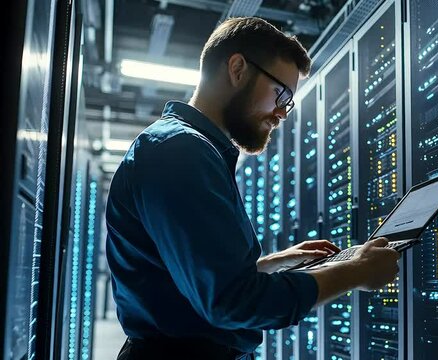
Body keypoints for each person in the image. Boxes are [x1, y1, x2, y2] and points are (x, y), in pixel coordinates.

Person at [106, 17, 400, 360]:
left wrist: (271, 264)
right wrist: (354, 272)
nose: (281, 113)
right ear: (237, 69)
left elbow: (189, 280)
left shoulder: (190, 149)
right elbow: (232, 302)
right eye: (281, 94)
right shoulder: (180, 151)